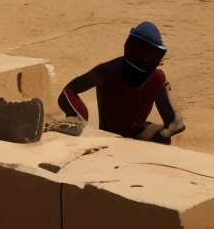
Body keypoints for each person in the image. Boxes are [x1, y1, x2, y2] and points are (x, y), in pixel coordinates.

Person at [59, 21, 187, 144]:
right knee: (162, 139)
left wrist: (77, 114)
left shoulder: (108, 71)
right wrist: (78, 116)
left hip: (120, 135)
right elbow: (174, 121)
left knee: (163, 139)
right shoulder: (110, 72)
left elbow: (67, 92)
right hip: (120, 136)